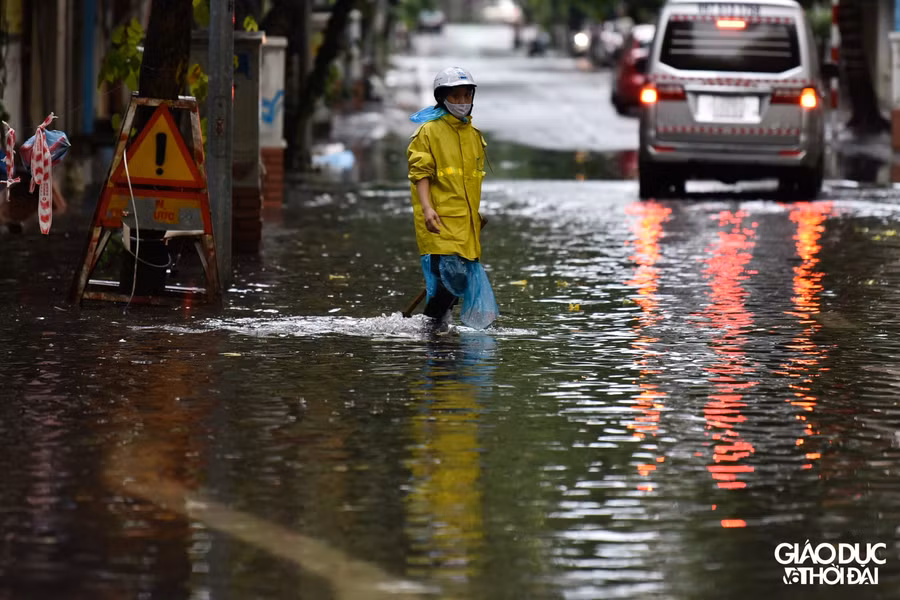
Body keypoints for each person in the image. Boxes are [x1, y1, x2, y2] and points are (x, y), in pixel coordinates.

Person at [407, 67, 499, 334]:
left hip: (466, 225)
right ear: (442, 98)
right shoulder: (428, 132)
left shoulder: (473, 135)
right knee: (452, 277)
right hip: (438, 222)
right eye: (455, 96)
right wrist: (427, 209)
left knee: (456, 283)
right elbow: (421, 174)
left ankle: (436, 333)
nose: (462, 102)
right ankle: (430, 326)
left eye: (466, 96)